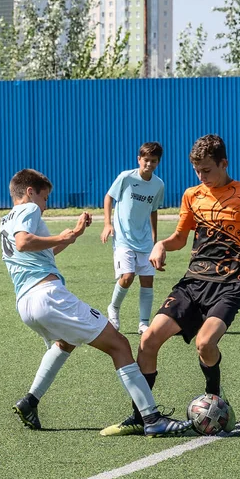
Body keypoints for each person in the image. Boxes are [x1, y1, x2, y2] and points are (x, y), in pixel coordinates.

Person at [100, 134, 240, 437]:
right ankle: (142, 416)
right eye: (197, 171)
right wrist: (162, 245)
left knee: (205, 344)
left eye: (207, 170)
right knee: (149, 338)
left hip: (228, 285)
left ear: (224, 163)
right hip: (192, 283)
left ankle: (215, 401)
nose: (201, 176)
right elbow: (180, 237)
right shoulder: (192, 195)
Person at [0, 168, 191, 438]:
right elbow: (23, 243)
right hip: (48, 295)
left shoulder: (4, 220)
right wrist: (63, 236)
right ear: (30, 192)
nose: (44, 206)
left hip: (26, 304)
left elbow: (38, 251)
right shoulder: (28, 210)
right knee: (120, 345)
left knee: (65, 342)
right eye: (44, 199)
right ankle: (151, 418)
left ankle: (30, 401)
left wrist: (74, 235)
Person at [100, 142, 164, 335]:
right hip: (123, 238)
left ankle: (143, 323)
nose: (149, 164)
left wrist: (154, 236)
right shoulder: (126, 177)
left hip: (144, 240)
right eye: (146, 160)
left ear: (158, 162)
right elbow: (109, 197)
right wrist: (107, 224)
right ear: (139, 160)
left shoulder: (158, 184)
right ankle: (114, 308)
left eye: (153, 161)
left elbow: (153, 210)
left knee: (147, 281)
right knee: (127, 277)